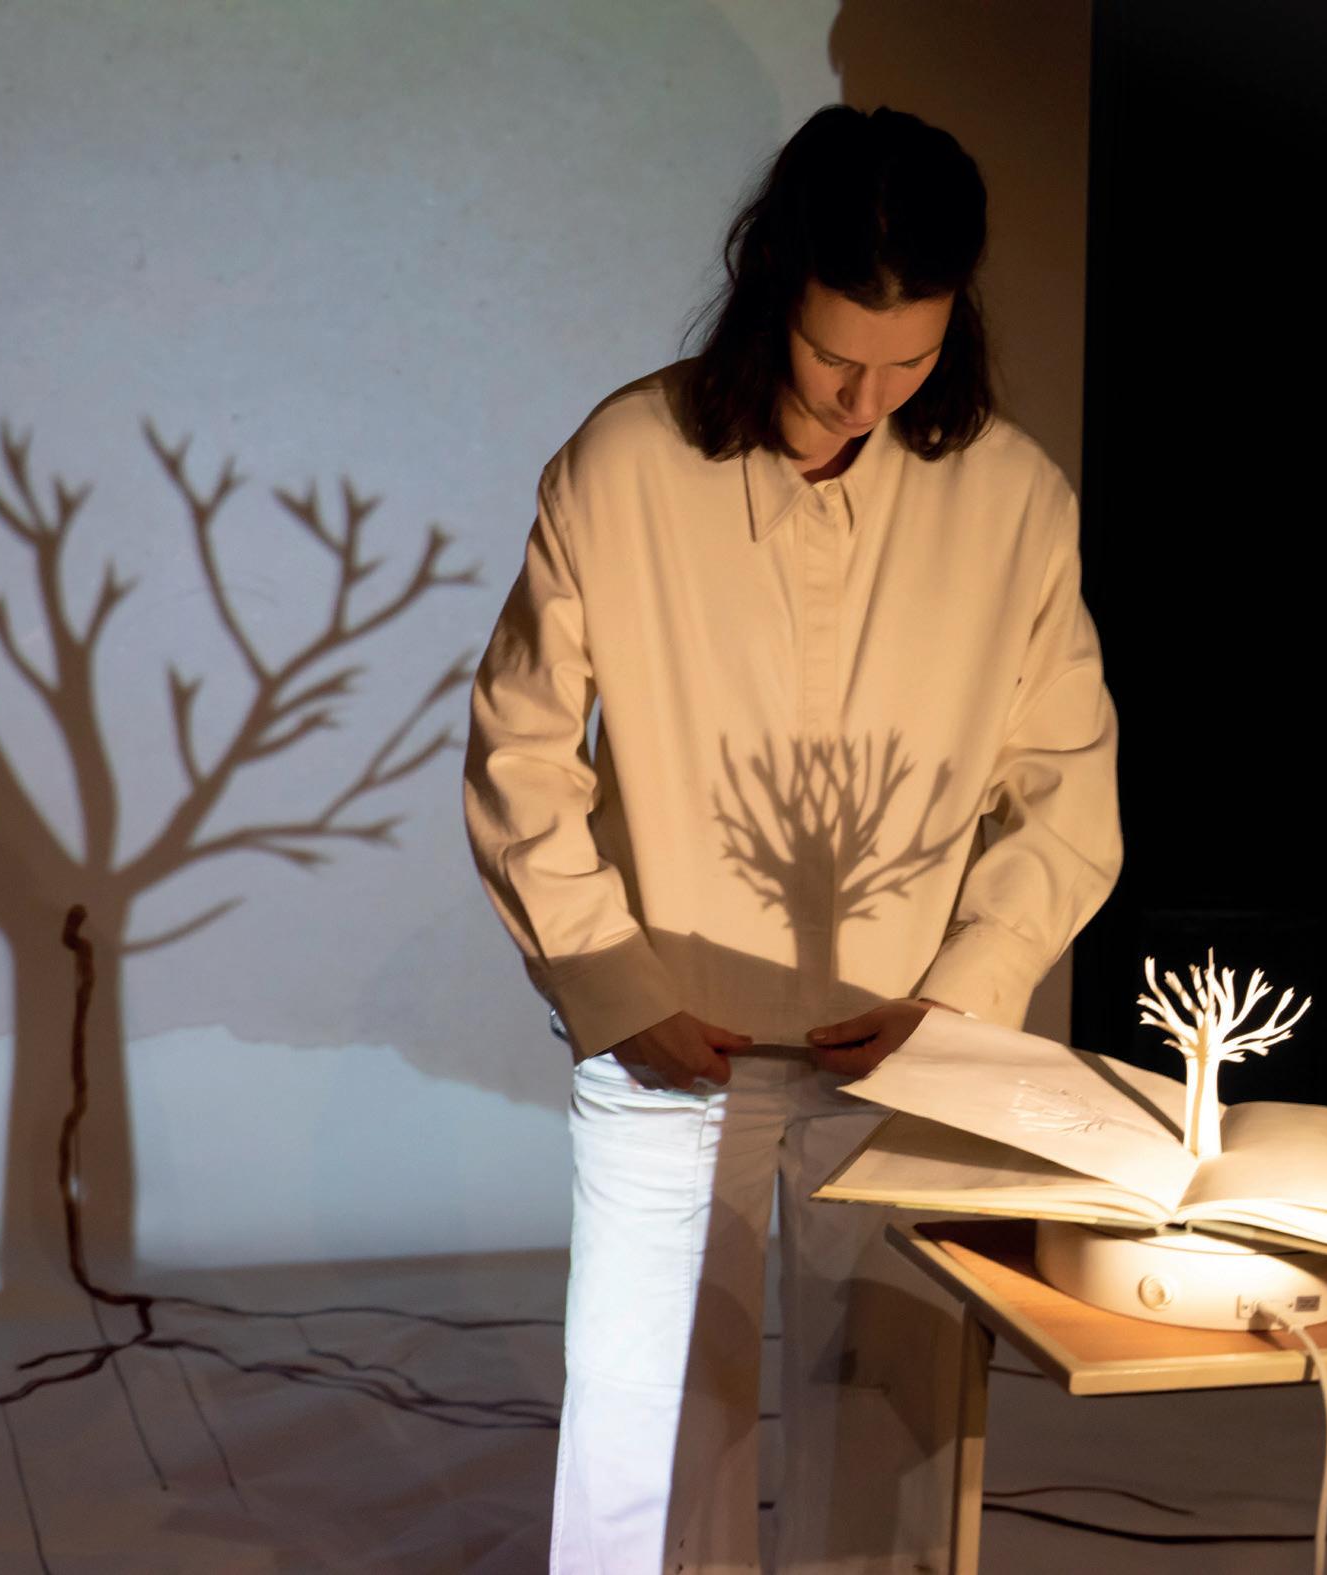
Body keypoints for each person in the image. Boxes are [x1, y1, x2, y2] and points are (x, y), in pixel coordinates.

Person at [463, 105, 1121, 1572]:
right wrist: (611, 981)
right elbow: (519, 749)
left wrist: (961, 1001)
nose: (865, 397)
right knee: (643, 1432)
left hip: (901, 1040)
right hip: (672, 1034)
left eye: (910, 362)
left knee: (894, 1428)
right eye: (835, 357)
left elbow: (1066, 784)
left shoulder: (1011, 498)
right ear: (770, 288)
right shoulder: (627, 463)